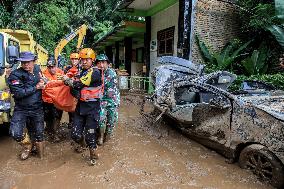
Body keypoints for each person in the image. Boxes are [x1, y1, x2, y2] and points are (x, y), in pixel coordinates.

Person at [60, 48, 102, 165]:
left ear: (92, 60)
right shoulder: (81, 72)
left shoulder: (95, 72)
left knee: (90, 135)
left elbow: (77, 84)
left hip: (92, 109)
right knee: (75, 134)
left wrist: (68, 81)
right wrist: (69, 83)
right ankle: (83, 145)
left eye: (87, 59)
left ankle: (93, 154)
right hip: (80, 107)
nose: (84, 62)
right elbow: (75, 89)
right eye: (82, 59)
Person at [7, 51, 45, 160]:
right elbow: (18, 93)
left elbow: (42, 79)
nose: (26, 65)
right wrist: (36, 87)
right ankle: (27, 146)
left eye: (28, 62)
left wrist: (44, 82)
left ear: (34, 62)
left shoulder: (37, 69)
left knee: (39, 134)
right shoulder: (15, 75)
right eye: (23, 62)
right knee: (15, 133)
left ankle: (41, 157)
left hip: (37, 108)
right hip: (21, 108)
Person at [96, 54, 120, 145]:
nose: (101, 65)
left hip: (112, 100)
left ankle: (108, 136)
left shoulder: (111, 73)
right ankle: (101, 136)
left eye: (103, 62)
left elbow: (104, 83)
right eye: (99, 63)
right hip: (101, 101)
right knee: (100, 119)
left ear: (107, 64)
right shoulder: (96, 72)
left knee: (112, 121)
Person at [42, 57, 64, 142]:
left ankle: (55, 133)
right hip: (46, 100)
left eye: (53, 67)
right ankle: (48, 131)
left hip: (58, 100)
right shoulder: (43, 73)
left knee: (57, 117)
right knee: (47, 117)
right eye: (49, 67)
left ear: (56, 65)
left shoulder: (61, 73)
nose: (51, 69)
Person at [64, 52, 80, 128]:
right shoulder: (67, 68)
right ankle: (71, 122)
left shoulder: (81, 68)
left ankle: (76, 124)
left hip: (78, 90)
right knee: (70, 107)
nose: (74, 61)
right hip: (70, 90)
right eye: (72, 59)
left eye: (76, 59)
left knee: (77, 108)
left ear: (79, 60)